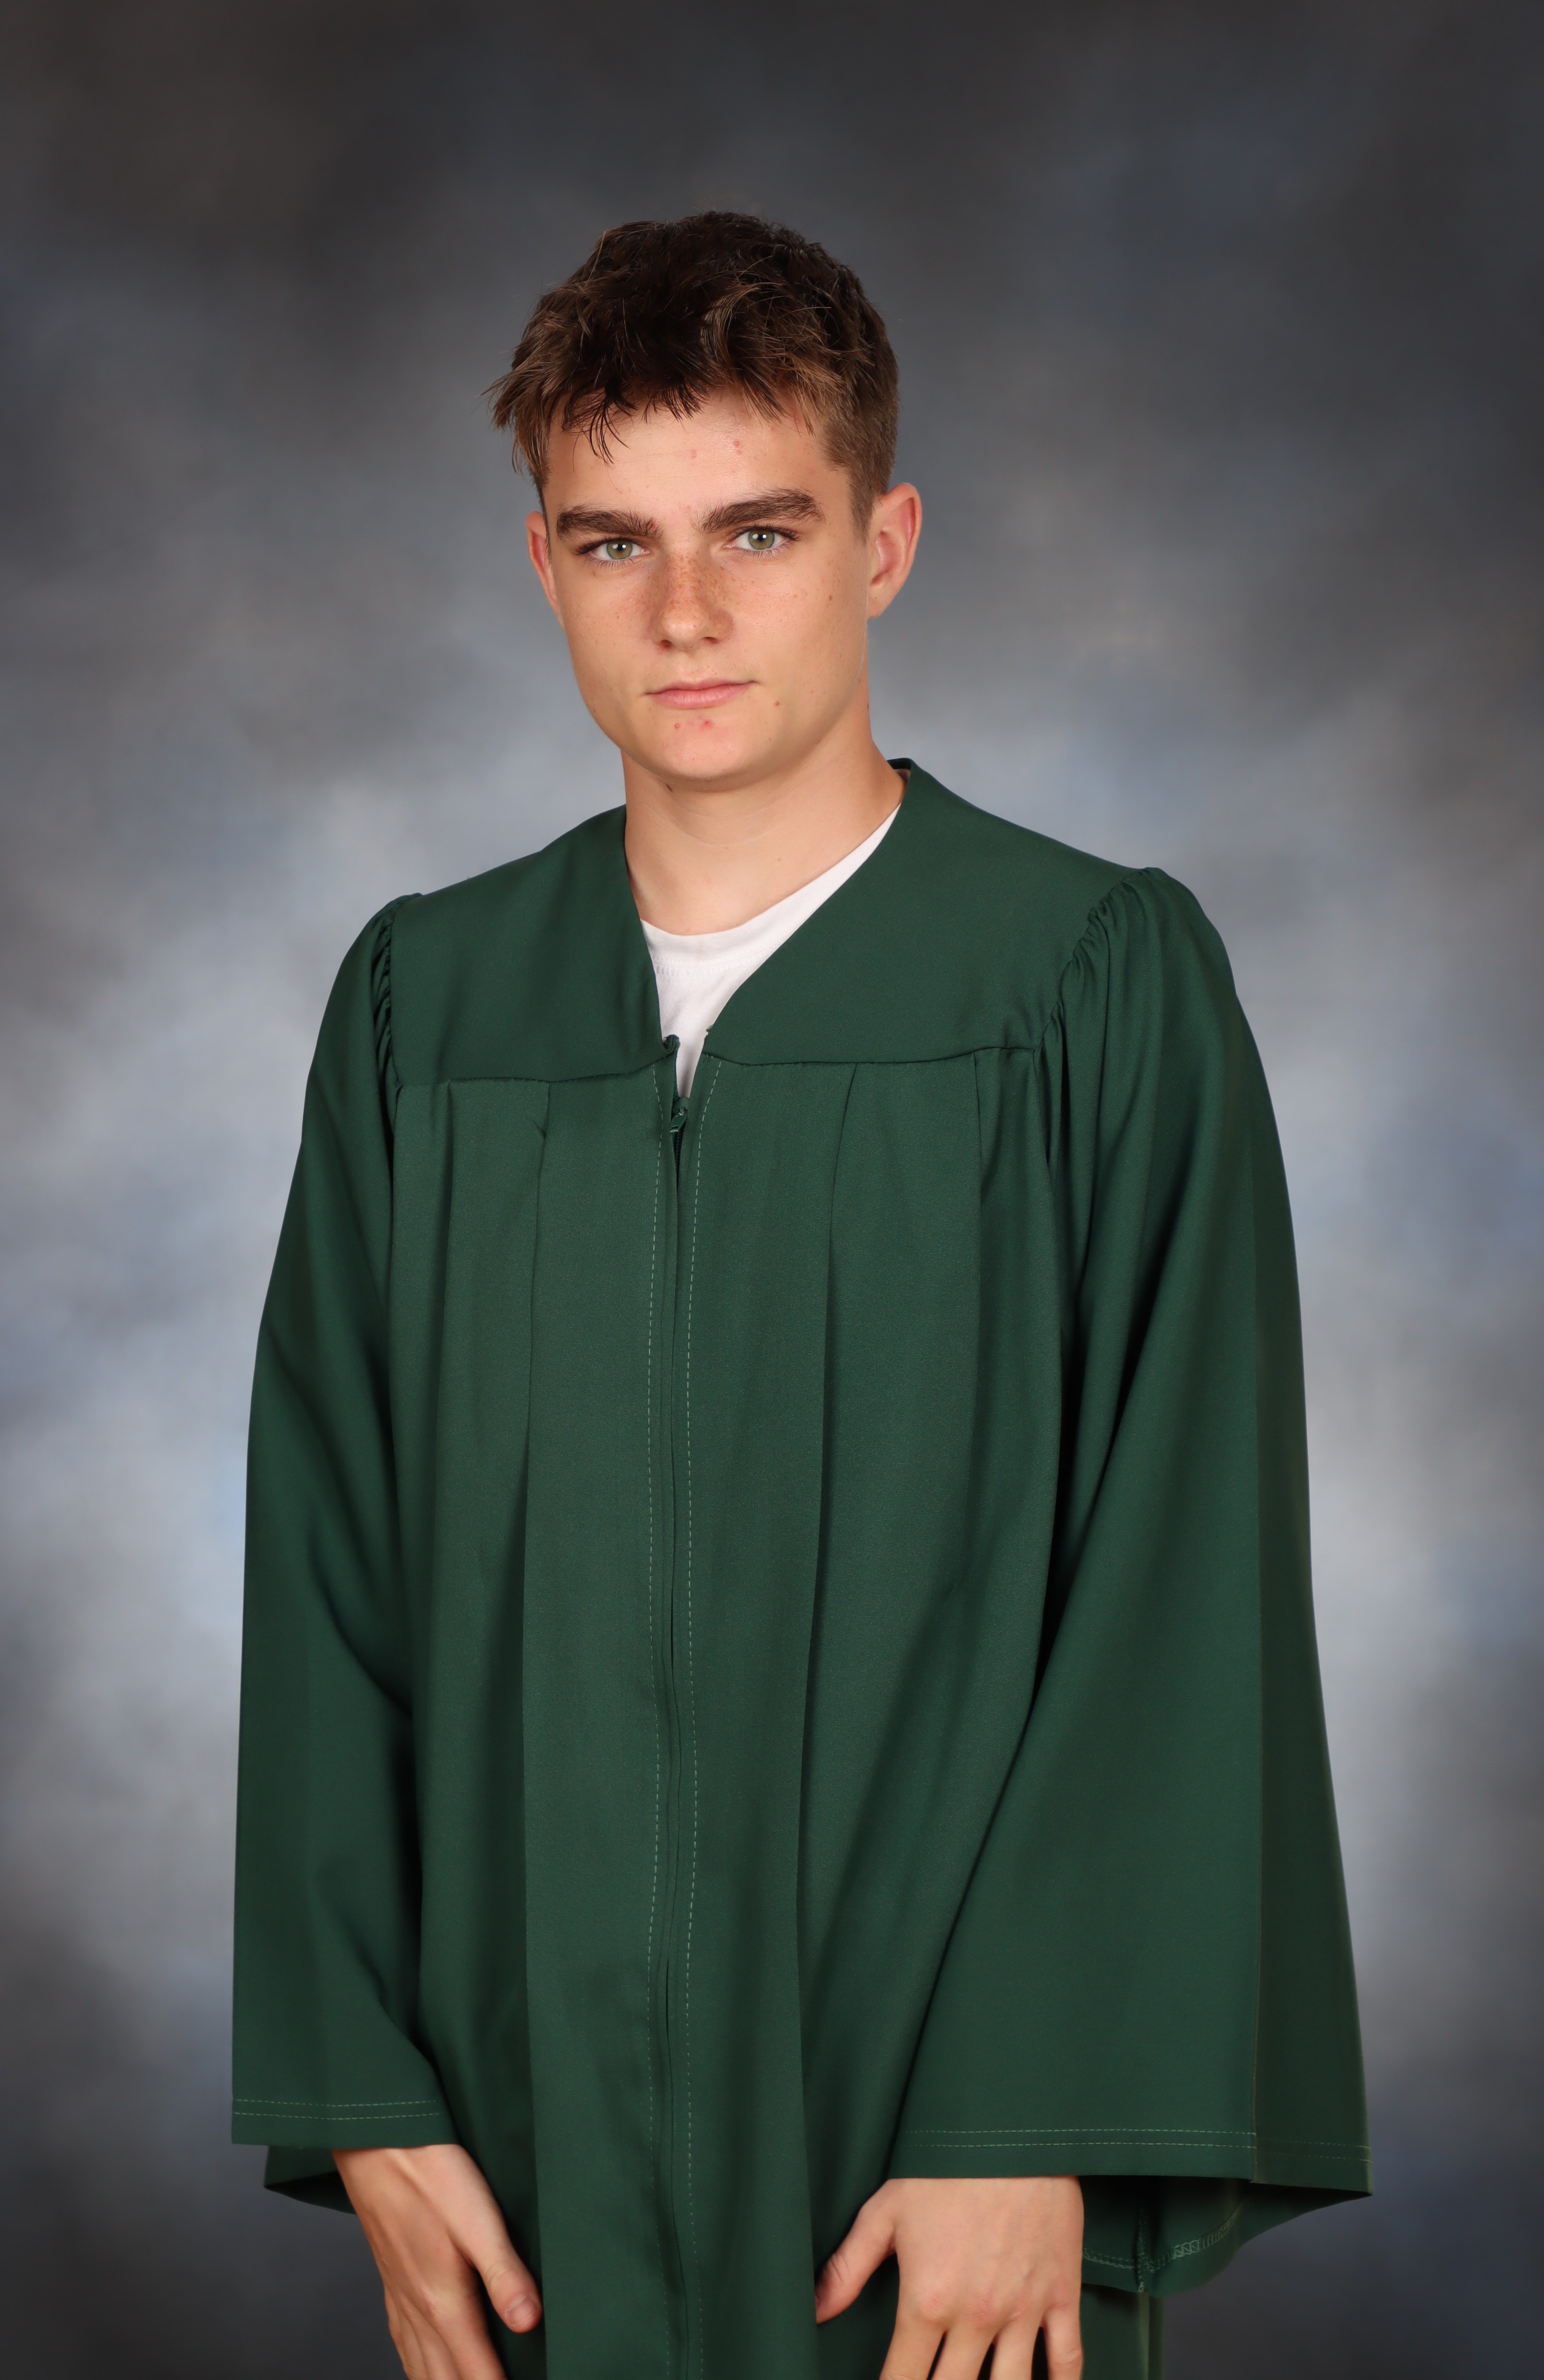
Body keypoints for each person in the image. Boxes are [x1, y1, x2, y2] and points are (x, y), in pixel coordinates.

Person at [231, 213, 1370, 2380]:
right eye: (613, 543)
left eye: (757, 531)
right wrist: (361, 2089)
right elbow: (326, 1562)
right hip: (524, 2148)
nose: (683, 610)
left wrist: (1031, 2117)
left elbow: (1180, 1574)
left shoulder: (1087, 982)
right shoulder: (423, 1010)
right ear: (541, 564)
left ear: (883, 544)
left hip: (934, 2174)